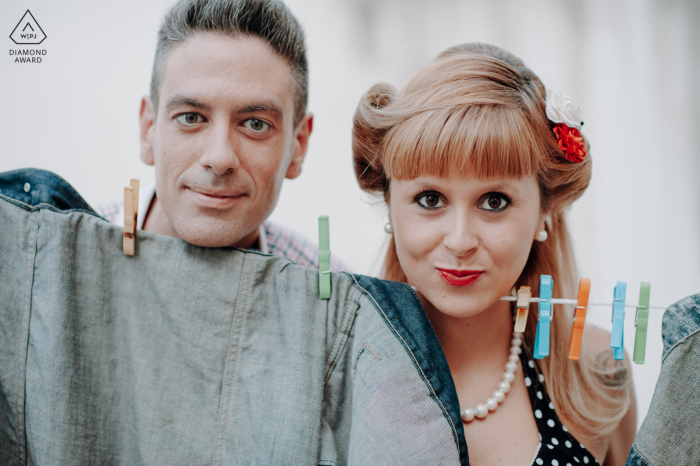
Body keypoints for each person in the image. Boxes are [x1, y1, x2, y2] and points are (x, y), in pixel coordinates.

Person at [352, 43, 637, 465]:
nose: (460, 240)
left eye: (495, 202)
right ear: (390, 203)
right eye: (430, 199)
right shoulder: (338, 373)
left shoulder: (598, 370)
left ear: (545, 211)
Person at [98, 0, 344, 270]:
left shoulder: (336, 300)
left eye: (255, 124)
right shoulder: (57, 256)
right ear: (148, 129)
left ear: (298, 145)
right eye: (190, 118)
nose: (220, 158)